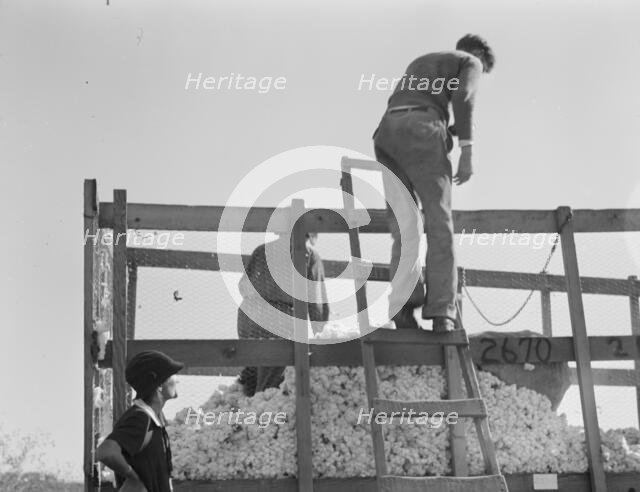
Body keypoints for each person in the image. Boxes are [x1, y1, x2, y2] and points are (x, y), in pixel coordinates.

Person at [372, 34, 495, 332]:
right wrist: (467, 148)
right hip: (424, 129)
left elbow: (413, 104)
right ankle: (442, 312)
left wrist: (446, 128)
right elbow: (463, 97)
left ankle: (402, 308)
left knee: (405, 226)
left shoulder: (423, 61)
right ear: (478, 53)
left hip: (387, 132)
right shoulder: (471, 61)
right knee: (439, 223)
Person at [236, 232, 329, 396]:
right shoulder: (308, 255)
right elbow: (316, 302)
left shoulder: (262, 250)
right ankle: (261, 413)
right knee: (270, 383)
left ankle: (246, 404)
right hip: (279, 321)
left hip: (249, 318)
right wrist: (321, 336)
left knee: (255, 370)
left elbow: (243, 286)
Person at [96, 350, 184, 492]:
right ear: (159, 384)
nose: (177, 379)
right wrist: (133, 478)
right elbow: (106, 452)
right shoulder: (140, 418)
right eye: (172, 375)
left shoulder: (154, 419)